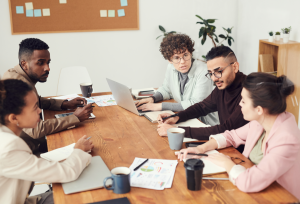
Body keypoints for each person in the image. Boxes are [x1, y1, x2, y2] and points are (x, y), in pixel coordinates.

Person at [177, 73, 300, 200]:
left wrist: (227, 163)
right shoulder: (261, 122)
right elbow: (231, 136)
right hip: (255, 190)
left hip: (277, 197)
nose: (240, 104)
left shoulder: (286, 140)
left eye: (243, 101)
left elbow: (249, 182)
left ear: (259, 109)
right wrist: (201, 149)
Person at [0, 79, 94, 204]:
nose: (40, 111)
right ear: (14, 117)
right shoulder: (8, 147)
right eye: (35, 108)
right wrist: (79, 150)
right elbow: (67, 173)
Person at [2, 38, 93, 153]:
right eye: (40, 63)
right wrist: (75, 118)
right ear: (24, 64)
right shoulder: (16, 85)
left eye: (48, 62)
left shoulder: (17, 75)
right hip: (29, 152)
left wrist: (65, 104)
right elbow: (36, 130)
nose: (47, 68)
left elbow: (35, 101)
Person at [157, 46, 248, 145]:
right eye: (210, 73)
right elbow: (202, 107)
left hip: (242, 153)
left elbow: (226, 129)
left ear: (235, 67)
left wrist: (177, 130)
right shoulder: (223, 86)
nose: (214, 78)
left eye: (219, 71)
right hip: (226, 144)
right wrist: (177, 116)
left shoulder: (248, 92)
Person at [135, 34, 219, 126]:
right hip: (184, 117)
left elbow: (196, 104)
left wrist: (160, 106)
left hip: (203, 122)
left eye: (185, 55)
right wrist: (152, 98)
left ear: (191, 53)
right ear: (169, 60)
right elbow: (166, 89)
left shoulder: (203, 71)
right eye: (176, 58)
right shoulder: (171, 67)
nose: (182, 61)